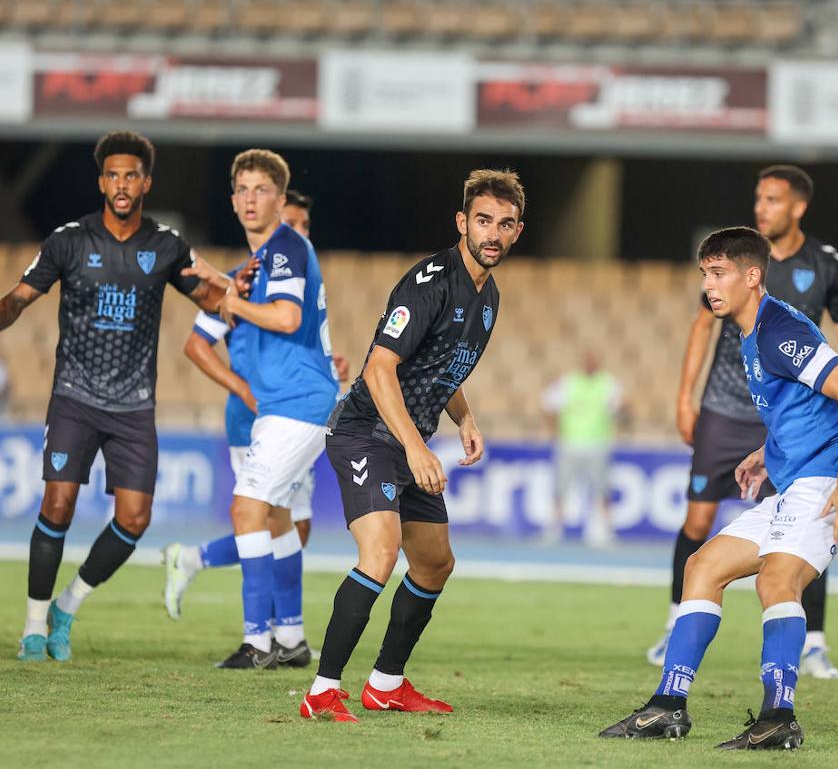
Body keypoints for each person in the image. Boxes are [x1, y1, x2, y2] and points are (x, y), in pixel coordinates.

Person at [600, 226, 838, 749]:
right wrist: (765, 453)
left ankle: (779, 716)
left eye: (719, 273)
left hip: (834, 478)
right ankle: (668, 706)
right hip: (799, 477)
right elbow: (800, 408)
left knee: (777, 582)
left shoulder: (779, 328)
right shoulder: (749, 332)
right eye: (704, 274)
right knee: (702, 567)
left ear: (752, 277)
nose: (709, 285)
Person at [0, 131, 237, 662]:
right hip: (75, 396)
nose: (122, 184)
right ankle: (34, 626)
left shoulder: (164, 246)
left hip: (134, 404)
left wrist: (240, 292)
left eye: (131, 175)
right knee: (58, 503)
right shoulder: (69, 241)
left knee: (135, 519)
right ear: (101, 182)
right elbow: (19, 297)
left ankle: (68, 605)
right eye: (112, 175)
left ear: (146, 182)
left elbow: (211, 297)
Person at [299, 169, 524, 723]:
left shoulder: (488, 296)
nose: (493, 233)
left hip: (404, 440)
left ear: (518, 230)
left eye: (505, 223)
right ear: (461, 223)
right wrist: (418, 449)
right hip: (365, 434)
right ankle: (322, 691)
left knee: (434, 564)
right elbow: (380, 368)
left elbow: (441, 369)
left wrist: (465, 417)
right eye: (483, 221)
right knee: (378, 554)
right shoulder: (430, 282)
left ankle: (385, 684)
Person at [648, 165, 838, 679]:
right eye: (758, 198)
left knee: (790, 553)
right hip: (735, 412)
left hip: (799, 423)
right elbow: (701, 329)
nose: (761, 208)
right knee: (701, 534)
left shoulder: (808, 281)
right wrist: (688, 400)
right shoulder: (733, 276)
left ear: (798, 207)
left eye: (772, 199)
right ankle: (674, 641)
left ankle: (808, 647)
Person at [170, 149, 340, 671]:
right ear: (233, 199)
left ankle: (257, 644)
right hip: (282, 404)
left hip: (297, 403)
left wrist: (230, 301)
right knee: (281, 520)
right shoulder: (258, 263)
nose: (250, 199)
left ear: (280, 199)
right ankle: (288, 639)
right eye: (242, 190)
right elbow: (202, 340)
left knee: (247, 510)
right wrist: (225, 288)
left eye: (260, 190)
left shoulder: (286, 246)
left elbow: (288, 318)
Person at [540, 350, 623, 546]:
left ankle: (604, 528)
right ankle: (554, 526)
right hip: (570, 443)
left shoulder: (607, 383)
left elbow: (620, 408)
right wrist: (554, 430)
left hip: (597, 444)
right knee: (561, 487)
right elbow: (548, 403)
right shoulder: (570, 382)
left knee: (602, 488)